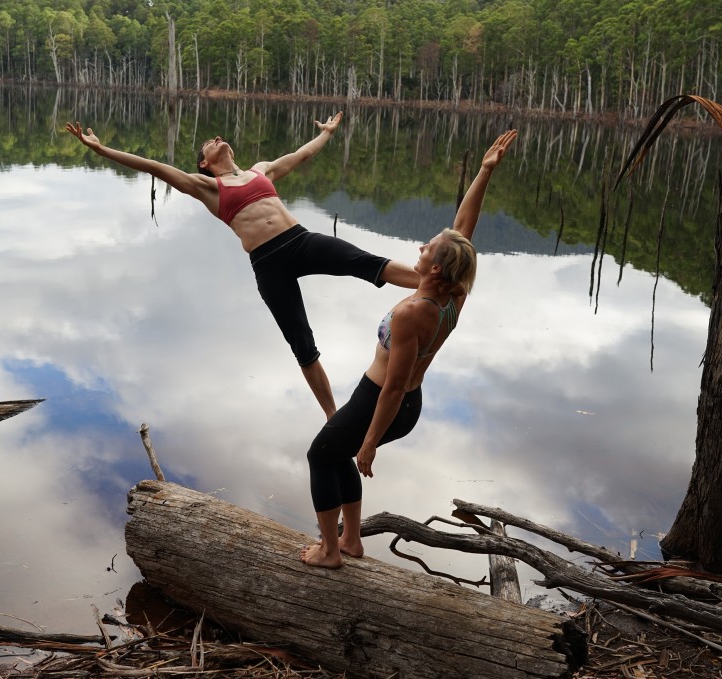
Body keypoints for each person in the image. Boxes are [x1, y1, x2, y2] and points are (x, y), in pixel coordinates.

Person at [65, 113, 418, 419]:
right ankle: (332, 416)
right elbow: (153, 166)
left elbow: (301, 155)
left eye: (218, 137)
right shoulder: (207, 187)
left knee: (364, 262)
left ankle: (430, 282)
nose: (217, 138)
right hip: (269, 264)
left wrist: (326, 133)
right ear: (204, 163)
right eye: (209, 142)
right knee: (302, 343)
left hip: (300, 240)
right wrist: (101, 150)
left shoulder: (260, 170)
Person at [300, 129, 519, 569]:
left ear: (435, 268)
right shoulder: (454, 296)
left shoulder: (412, 313)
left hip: (383, 400)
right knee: (336, 451)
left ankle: (329, 551)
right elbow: (464, 230)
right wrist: (484, 172)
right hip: (407, 404)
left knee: (321, 456)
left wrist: (370, 443)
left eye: (427, 249)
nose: (419, 248)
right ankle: (351, 541)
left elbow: (394, 387)